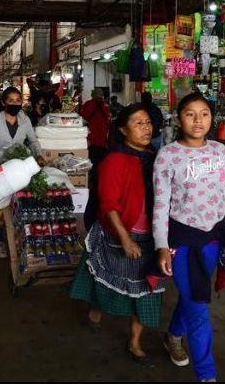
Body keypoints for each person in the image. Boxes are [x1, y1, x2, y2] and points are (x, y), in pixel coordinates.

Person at [153, 92, 225, 382]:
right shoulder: (168, 155)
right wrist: (161, 246)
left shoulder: (220, 151)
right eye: (190, 114)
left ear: (211, 118)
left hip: (212, 239)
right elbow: (159, 204)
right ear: (179, 119)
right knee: (199, 306)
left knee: (194, 294)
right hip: (181, 242)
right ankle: (207, 374)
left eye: (204, 113)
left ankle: (173, 336)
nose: (198, 120)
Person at [69, 104, 165, 362]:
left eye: (148, 122)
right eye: (138, 123)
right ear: (123, 129)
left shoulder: (156, 156)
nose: (146, 128)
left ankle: (134, 341)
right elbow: (108, 205)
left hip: (151, 236)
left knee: (147, 290)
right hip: (120, 233)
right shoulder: (114, 160)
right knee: (107, 281)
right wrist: (125, 238)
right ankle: (96, 310)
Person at [0, 87, 47, 258]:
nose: (15, 103)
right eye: (11, 100)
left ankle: (19, 240)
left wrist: (38, 154)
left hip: (21, 171)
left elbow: (33, 141)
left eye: (18, 100)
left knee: (20, 206)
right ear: (3, 102)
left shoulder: (25, 121)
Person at [80, 88, 112, 232]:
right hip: (103, 143)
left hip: (91, 142)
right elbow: (110, 121)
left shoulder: (88, 105)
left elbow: (82, 120)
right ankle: (98, 179)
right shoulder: (106, 106)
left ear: (93, 95)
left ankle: (92, 180)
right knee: (100, 165)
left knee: (92, 165)